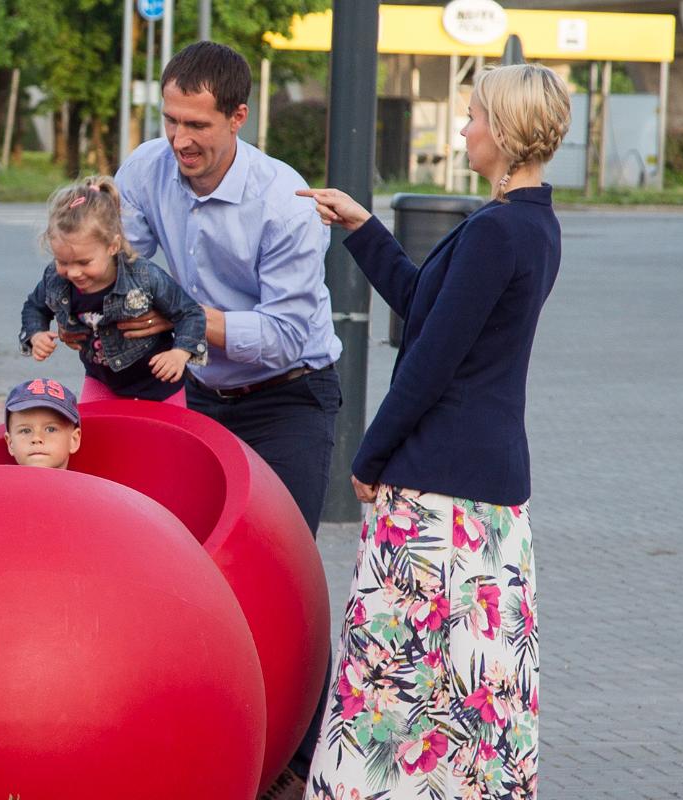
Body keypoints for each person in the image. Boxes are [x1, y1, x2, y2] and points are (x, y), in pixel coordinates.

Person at [294, 64, 567, 800]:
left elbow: (431, 361)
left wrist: (371, 450)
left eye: (474, 115)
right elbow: (426, 304)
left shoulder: (494, 232)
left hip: (438, 498)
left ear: (505, 132)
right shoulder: (533, 225)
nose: (465, 127)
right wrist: (361, 226)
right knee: (472, 683)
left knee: (393, 682)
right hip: (489, 497)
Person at [108, 40, 342, 793]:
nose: (180, 140)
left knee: (280, 580)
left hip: (289, 397)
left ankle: (299, 762)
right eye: (171, 119)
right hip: (201, 391)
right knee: (181, 570)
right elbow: (122, 264)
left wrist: (174, 313)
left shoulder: (285, 204)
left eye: (197, 126)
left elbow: (280, 335)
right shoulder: (147, 168)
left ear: (239, 117)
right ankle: (189, 735)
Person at [19, 177, 209, 408]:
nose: (74, 272)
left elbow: (190, 312)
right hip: (102, 381)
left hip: (159, 382)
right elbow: (35, 306)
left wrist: (180, 352)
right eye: (63, 261)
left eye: (84, 262)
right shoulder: (56, 278)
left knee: (163, 441)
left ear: (113, 245)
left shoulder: (143, 276)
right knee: (96, 437)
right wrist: (36, 334)